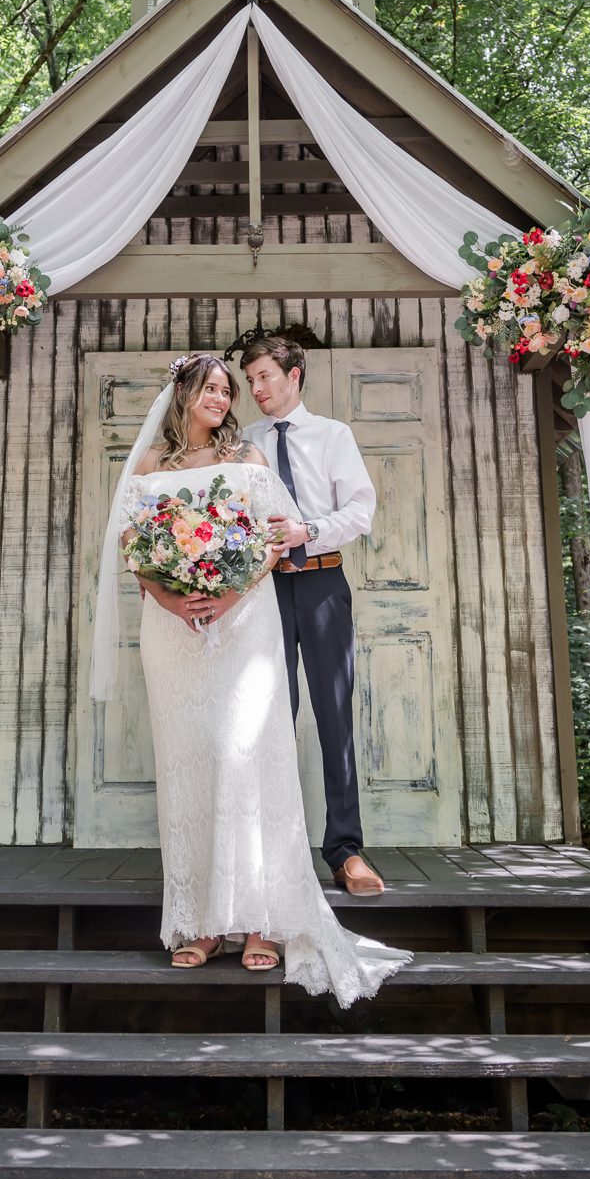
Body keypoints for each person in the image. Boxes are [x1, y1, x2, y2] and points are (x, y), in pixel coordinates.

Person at [91, 351, 408, 1004]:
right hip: (171, 629)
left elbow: (270, 542)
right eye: (210, 387)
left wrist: (227, 596)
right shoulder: (148, 467)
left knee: (247, 759)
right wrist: (175, 599)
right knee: (191, 763)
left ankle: (262, 920)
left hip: (243, 624)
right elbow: (132, 548)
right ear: (183, 394)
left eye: (225, 389)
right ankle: (201, 924)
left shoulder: (250, 459)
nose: (221, 397)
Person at [240, 335, 385, 897]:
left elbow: (362, 510)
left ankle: (346, 851)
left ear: (294, 375)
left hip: (323, 584)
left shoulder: (333, 436)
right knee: (268, 719)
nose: (256, 389)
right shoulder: (242, 442)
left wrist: (309, 531)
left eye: (265, 377)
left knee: (333, 717)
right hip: (260, 592)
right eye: (250, 380)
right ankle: (271, 853)